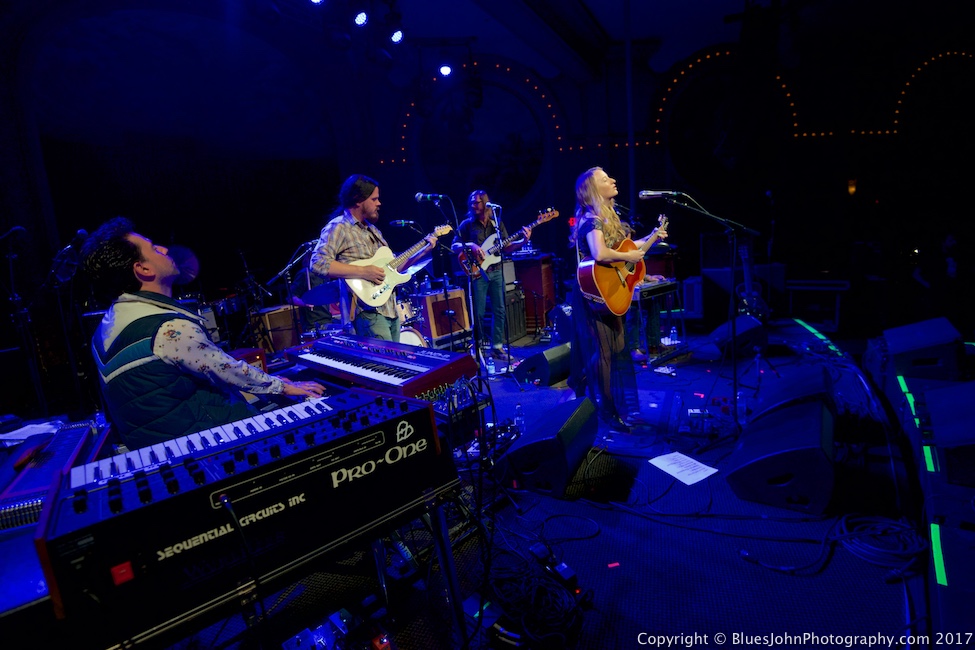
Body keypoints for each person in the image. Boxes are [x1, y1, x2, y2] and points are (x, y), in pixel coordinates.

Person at [81, 217, 325, 451]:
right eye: (154, 249)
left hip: (159, 453)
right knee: (316, 420)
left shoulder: (104, 329)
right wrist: (284, 386)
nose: (165, 250)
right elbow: (227, 369)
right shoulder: (166, 328)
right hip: (209, 445)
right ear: (142, 268)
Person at [569, 167, 667, 429]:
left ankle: (583, 378)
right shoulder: (591, 219)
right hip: (593, 293)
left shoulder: (609, 218)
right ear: (593, 190)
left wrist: (652, 238)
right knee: (605, 352)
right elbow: (600, 254)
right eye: (604, 179)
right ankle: (607, 410)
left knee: (617, 347)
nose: (613, 180)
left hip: (608, 290)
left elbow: (628, 251)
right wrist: (628, 257)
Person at [310, 175, 437, 342]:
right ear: (358, 200)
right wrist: (364, 272)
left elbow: (394, 269)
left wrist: (423, 251)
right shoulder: (339, 227)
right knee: (386, 366)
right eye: (374, 199)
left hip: (390, 310)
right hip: (368, 313)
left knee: (396, 364)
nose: (379, 203)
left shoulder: (374, 231)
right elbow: (318, 263)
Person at [450, 190, 531, 362]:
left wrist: (523, 241)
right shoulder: (467, 225)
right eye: (471, 202)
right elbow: (455, 245)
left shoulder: (496, 224)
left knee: (500, 310)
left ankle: (497, 347)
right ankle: (477, 346)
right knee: (478, 313)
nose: (473, 205)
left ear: (486, 204)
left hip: (496, 270)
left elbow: (507, 247)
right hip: (478, 272)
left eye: (477, 202)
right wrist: (471, 245)